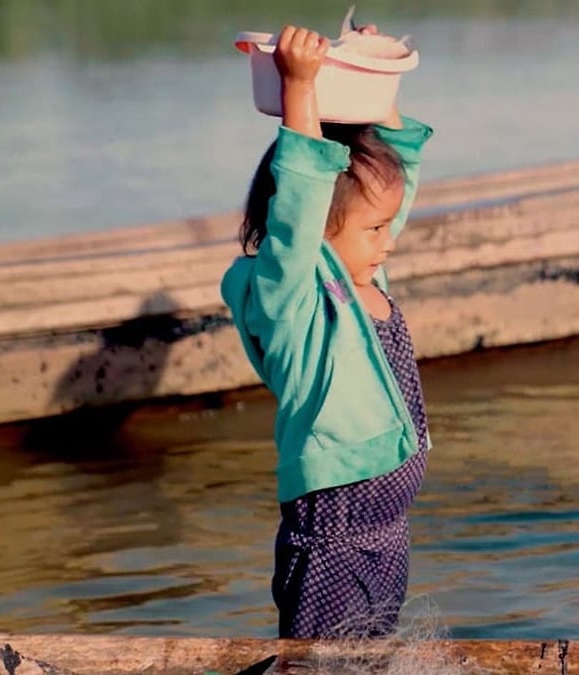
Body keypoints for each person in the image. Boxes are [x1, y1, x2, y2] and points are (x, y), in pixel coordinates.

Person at [219, 24, 433, 639]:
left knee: (367, 660)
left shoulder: (367, 273)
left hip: (388, 532)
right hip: (334, 537)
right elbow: (303, 198)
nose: (389, 240)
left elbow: (396, 175)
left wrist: (374, 68)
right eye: (374, 230)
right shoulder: (297, 297)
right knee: (317, 665)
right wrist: (299, 87)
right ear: (318, 232)